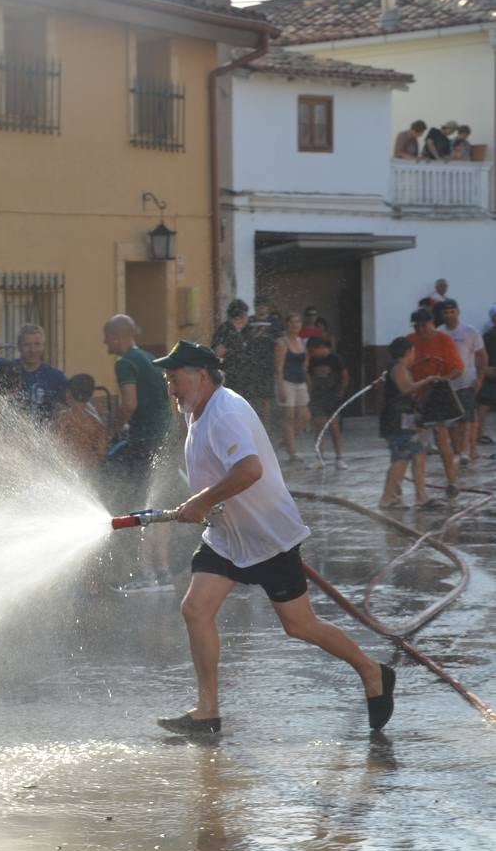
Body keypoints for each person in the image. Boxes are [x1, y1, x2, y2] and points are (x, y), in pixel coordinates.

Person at [151, 340, 395, 735]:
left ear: (201, 376)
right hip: (228, 536)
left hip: (267, 534)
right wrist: (203, 506)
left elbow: (249, 470)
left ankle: (373, 672)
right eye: (168, 381)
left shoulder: (225, 411)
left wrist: (200, 501)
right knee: (195, 609)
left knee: (299, 626)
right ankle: (207, 711)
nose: (171, 389)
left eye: (174, 379)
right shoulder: (199, 410)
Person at [103, 314, 173, 587]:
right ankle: (163, 572)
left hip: (143, 441)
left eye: (107, 336)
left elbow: (129, 403)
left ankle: (145, 574)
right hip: (163, 440)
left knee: (140, 505)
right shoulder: (149, 359)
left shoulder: (125, 363)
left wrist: (115, 427)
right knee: (159, 505)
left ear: (119, 336)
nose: (104, 342)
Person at [407, 307, 464, 496]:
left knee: (442, 441)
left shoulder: (444, 340)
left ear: (432, 323)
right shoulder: (410, 341)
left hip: (437, 395)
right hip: (415, 395)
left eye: (423, 325)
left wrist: (442, 380)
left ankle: (452, 482)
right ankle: (420, 490)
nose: (420, 329)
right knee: (418, 444)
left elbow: (458, 368)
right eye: (416, 326)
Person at [378, 337, 441, 509]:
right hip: (396, 421)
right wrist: (426, 380)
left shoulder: (402, 368)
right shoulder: (398, 368)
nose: (414, 354)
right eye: (413, 351)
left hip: (407, 419)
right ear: (407, 351)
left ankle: (422, 497)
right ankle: (387, 498)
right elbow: (406, 388)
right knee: (401, 459)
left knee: (419, 456)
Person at [0, 324, 68, 423]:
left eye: (37, 344)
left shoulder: (56, 377)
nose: (32, 350)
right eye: (27, 345)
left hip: (43, 436)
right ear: (19, 347)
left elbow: (70, 406)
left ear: (43, 346)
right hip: (8, 433)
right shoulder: (6, 368)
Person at [436, 299, 486, 465]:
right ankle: (457, 450)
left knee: (467, 418)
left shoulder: (470, 331)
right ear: (442, 315)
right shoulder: (439, 333)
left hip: (467, 381)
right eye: (446, 312)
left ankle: (466, 451)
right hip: (447, 383)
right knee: (452, 420)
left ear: (458, 312)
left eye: (452, 312)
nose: (449, 315)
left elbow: (482, 355)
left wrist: (479, 378)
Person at [306, 336, 349, 468]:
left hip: (332, 396)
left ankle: (339, 458)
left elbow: (345, 375)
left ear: (321, 347)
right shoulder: (312, 360)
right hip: (317, 397)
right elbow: (307, 374)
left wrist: (341, 391)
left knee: (334, 426)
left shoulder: (335, 359)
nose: (311, 353)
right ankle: (320, 458)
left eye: (313, 351)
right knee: (319, 426)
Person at [274, 313, 310, 463]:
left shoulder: (302, 341)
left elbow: (305, 364)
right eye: (292, 322)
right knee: (288, 417)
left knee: (305, 416)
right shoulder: (282, 343)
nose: (295, 325)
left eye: (298, 322)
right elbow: (278, 367)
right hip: (286, 382)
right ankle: (293, 453)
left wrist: (307, 381)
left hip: (300, 382)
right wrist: (280, 387)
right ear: (287, 325)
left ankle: (286, 441)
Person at [55, 373, 107, 472]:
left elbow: (58, 445)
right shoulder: (96, 422)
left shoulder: (64, 417)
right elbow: (101, 451)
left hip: (69, 468)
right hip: (90, 470)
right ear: (90, 395)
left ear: (69, 393)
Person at [477, 310, 496, 449]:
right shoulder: (488, 335)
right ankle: (479, 434)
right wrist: (485, 369)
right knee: (484, 404)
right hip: (492, 374)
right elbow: (481, 355)